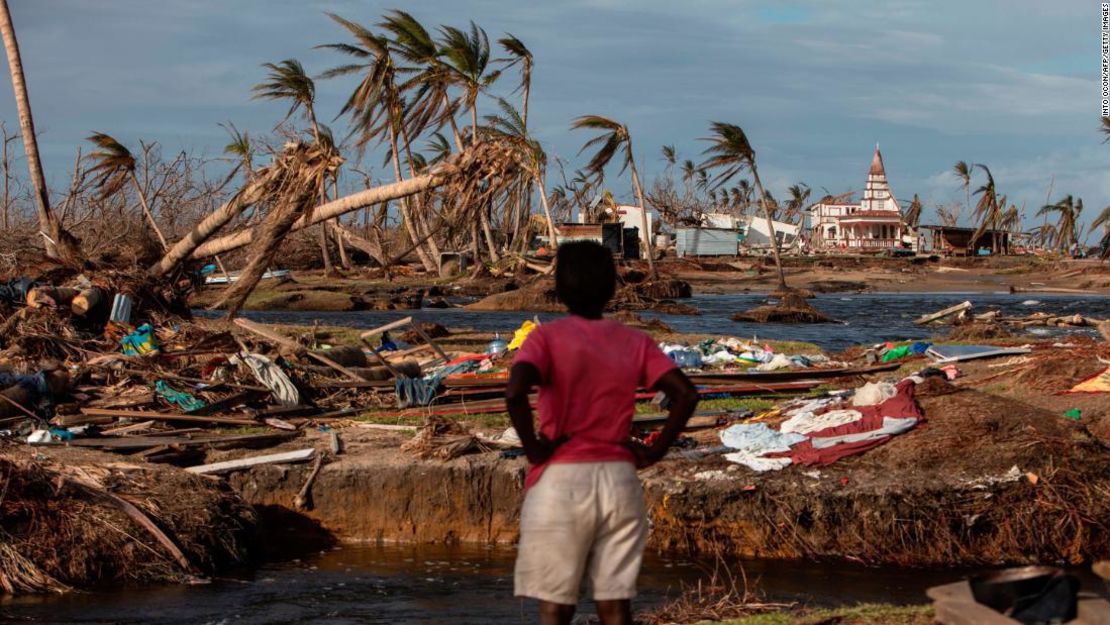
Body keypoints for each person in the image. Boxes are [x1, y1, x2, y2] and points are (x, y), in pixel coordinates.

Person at [505, 241, 698, 625]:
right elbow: (685, 394)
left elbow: (515, 392)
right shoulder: (634, 341)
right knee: (615, 605)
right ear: (612, 288)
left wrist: (534, 449)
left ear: (558, 290)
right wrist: (656, 450)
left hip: (560, 479)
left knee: (556, 606)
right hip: (617, 478)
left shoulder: (544, 339)